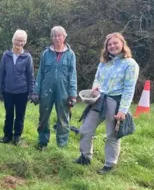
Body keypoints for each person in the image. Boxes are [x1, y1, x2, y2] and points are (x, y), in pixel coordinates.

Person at [75, 33, 139, 174]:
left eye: (115, 43)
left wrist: (122, 110)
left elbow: (129, 89)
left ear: (122, 44)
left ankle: (109, 164)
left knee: (112, 135)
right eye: (109, 44)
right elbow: (97, 79)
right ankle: (85, 157)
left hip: (116, 102)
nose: (112, 46)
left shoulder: (130, 64)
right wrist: (95, 87)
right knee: (85, 129)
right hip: (100, 100)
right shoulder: (104, 62)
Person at [31, 26, 77, 150]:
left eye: (59, 35)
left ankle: (61, 145)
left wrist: (73, 95)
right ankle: (42, 142)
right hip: (46, 89)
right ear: (51, 38)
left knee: (63, 119)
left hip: (63, 91)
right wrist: (36, 91)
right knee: (43, 117)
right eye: (54, 36)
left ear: (64, 37)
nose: (57, 38)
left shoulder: (70, 54)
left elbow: (72, 75)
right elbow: (40, 73)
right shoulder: (46, 53)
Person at [0, 30, 35, 145]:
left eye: (22, 41)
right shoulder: (6, 55)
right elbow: (1, 74)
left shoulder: (27, 57)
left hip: (22, 91)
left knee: (20, 115)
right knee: (9, 114)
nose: (19, 43)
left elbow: (30, 76)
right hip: (8, 91)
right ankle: (7, 136)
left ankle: (17, 136)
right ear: (13, 40)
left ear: (25, 42)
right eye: (17, 40)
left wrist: (32, 93)